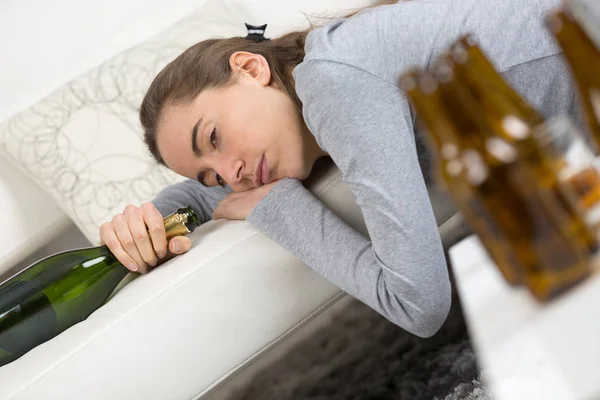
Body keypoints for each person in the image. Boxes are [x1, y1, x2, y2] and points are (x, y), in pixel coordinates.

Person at [99, 0, 572, 337]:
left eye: (214, 139)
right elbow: (200, 198)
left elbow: (419, 303)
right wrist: (146, 222)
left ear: (250, 68)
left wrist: (278, 207)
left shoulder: (331, 83)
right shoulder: (313, 88)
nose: (233, 173)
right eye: (214, 175)